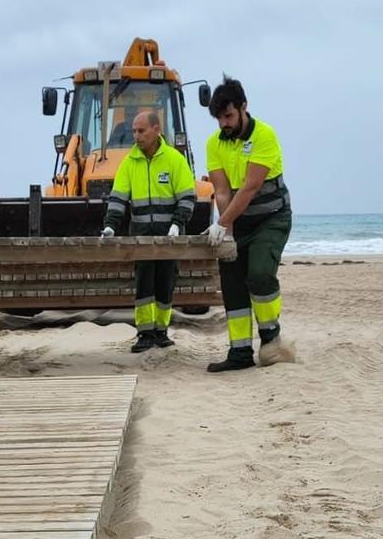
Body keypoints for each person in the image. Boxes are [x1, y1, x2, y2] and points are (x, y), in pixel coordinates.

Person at [203, 75, 294, 373]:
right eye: (219, 118)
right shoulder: (214, 143)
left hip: (271, 219)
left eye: (228, 115)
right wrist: (226, 233)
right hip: (238, 224)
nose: (224, 124)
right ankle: (240, 353)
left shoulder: (264, 135)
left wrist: (223, 221)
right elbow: (222, 191)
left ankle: (271, 340)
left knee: (258, 275)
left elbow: (250, 188)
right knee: (232, 284)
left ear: (244, 107)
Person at [101, 110, 196, 353]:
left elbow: (187, 197)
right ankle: (144, 333)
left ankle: (161, 332)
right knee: (144, 283)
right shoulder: (129, 163)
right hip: (141, 237)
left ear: (157, 130)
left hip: (169, 237)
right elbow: (118, 198)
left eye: (141, 131)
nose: (136, 135)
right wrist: (110, 224)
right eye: (134, 131)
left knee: (165, 282)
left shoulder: (175, 160)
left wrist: (177, 223)